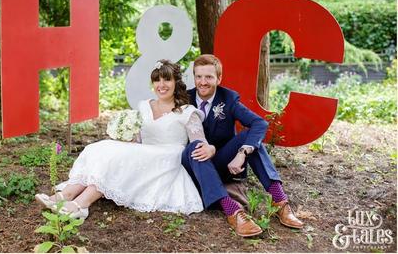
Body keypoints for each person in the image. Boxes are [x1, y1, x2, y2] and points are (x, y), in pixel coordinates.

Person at [36, 59, 215, 219]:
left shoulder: (187, 112)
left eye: (167, 79)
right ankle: (64, 195)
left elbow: (200, 143)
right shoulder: (144, 106)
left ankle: (81, 204)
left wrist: (211, 149)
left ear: (176, 82)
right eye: (157, 80)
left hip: (167, 156)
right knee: (100, 148)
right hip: (144, 150)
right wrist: (124, 136)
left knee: (121, 158)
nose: (162, 84)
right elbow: (136, 139)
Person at [181, 54, 303, 237]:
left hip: (222, 161)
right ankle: (232, 211)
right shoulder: (184, 99)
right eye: (198, 76)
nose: (203, 82)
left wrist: (242, 152)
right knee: (195, 147)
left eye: (209, 77)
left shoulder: (228, 98)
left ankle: (280, 202)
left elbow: (260, 123)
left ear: (219, 78)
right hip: (195, 164)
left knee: (252, 140)